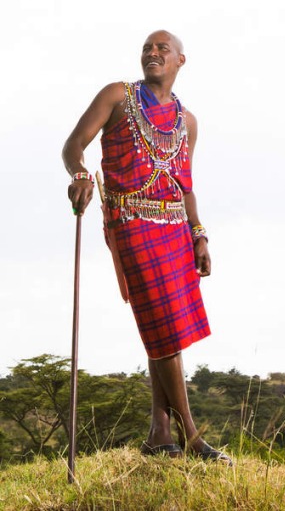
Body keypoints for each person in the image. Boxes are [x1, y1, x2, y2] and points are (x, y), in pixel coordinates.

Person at [62, 30, 232, 464]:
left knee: (164, 328)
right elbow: (73, 146)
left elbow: (185, 184)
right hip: (131, 222)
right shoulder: (117, 95)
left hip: (176, 227)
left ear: (180, 60)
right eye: (146, 48)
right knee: (165, 328)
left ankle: (160, 432)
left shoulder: (186, 120)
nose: (152, 53)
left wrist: (200, 234)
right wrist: (80, 175)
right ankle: (192, 438)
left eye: (162, 49)